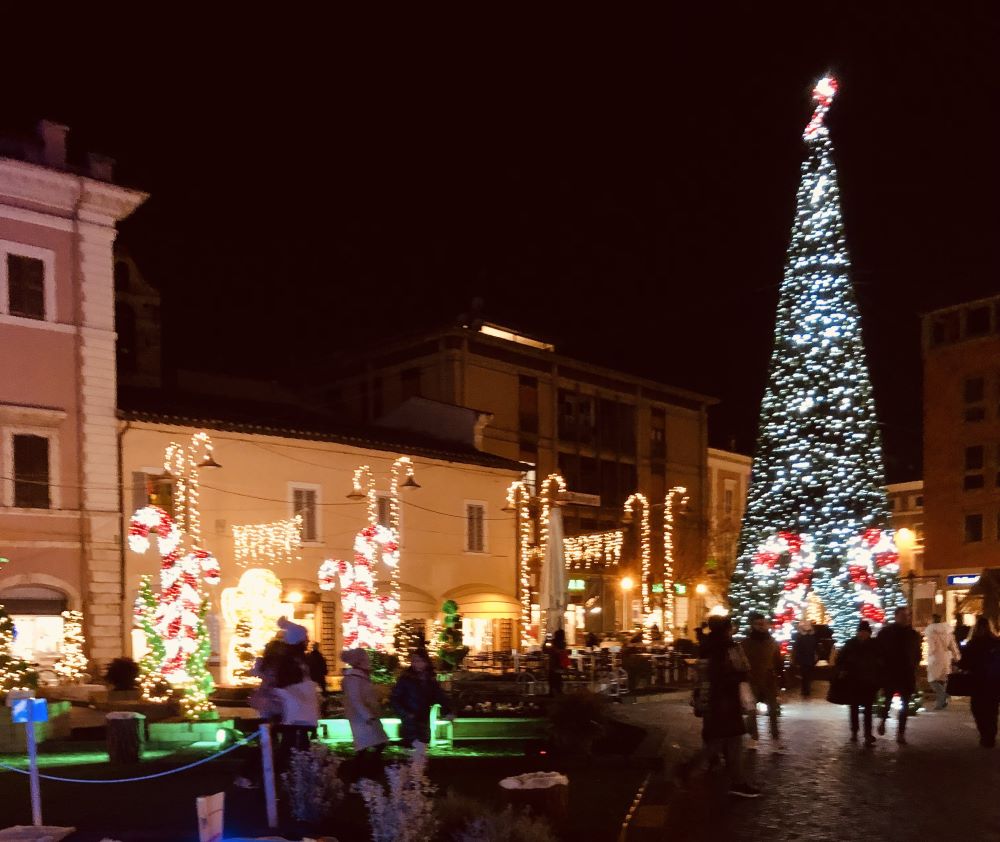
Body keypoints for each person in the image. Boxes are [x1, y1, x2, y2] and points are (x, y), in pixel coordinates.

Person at [676, 615, 760, 798]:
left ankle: (734, 780)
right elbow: (730, 673)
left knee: (724, 741)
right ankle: (733, 781)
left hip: (715, 701)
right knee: (727, 740)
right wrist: (740, 677)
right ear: (726, 629)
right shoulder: (725, 648)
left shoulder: (707, 645)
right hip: (725, 701)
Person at [876, 606, 922, 744]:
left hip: (906, 674)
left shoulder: (913, 634)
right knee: (887, 701)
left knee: (905, 704)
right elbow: (879, 651)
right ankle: (883, 720)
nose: (906, 618)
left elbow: (917, 654)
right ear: (896, 616)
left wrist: (914, 667)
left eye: (908, 615)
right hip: (891, 673)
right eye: (903, 615)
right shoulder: (886, 633)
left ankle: (901, 733)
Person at [390, 648, 452, 748]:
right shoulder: (406, 679)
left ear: (425, 662)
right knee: (412, 755)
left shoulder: (429, 680)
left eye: (419, 661)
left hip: (422, 722)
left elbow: (439, 696)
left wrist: (448, 711)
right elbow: (394, 699)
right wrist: (406, 714)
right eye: (414, 661)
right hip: (409, 723)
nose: (416, 664)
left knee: (420, 754)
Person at [341, 648, 388, 778]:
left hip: (366, 716)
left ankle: (364, 774)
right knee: (370, 745)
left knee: (372, 745)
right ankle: (362, 774)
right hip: (362, 718)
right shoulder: (354, 678)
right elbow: (355, 699)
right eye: (366, 658)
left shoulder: (360, 677)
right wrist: (368, 716)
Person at [741, 613, 784, 752]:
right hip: (752, 679)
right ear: (753, 625)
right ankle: (754, 737)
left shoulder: (772, 642)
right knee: (751, 710)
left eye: (763, 624)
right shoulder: (745, 643)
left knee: (773, 710)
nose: (761, 627)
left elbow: (778, 662)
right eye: (758, 624)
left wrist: (780, 677)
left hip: (768, 679)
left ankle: (775, 738)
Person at [835, 620, 882, 746]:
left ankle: (867, 734)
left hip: (869, 682)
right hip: (854, 681)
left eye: (864, 632)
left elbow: (880, 661)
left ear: (868, 633)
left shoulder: (874, 645)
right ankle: (854, 732)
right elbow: (840, 659)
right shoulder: (850, 644)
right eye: (860, 632)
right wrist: (843, 670)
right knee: (854, 707)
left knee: (868, 709)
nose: (862, 634)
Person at [959, 616, 1000, 748]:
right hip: (994, 681)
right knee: (991, 710)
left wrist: (959, 665)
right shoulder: (996, 642)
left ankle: (985, 734)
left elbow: (965, 663)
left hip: (978, 682)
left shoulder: (973, 644)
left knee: (978, 708)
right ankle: (990, 735)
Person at [273, 655, 321, 769]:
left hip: (293, 719)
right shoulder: (308, 684)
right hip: (302, 720)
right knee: (300, 744)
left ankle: (286, 769)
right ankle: (304, 768)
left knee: (288, 744)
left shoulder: (290, 687)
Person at [924, 613, 960, 710]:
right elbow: (953, 645)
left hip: (935, 657)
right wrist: (957, 658)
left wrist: (928, 654)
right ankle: (940, 703)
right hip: (946, 657)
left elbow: (932, 647)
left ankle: (943, 696)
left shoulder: (931, 631)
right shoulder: (947, 631)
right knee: (942, 680)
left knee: (932, 679)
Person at [792, 621, 818, 698]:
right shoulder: (812, 637)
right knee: (807, 675)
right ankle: (806, 689)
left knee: (805, 675)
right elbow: (814, 647)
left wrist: (796, 659)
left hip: (804, 658)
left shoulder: (800, 637)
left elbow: (797, 649)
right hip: (809, 658)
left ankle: (805, 690)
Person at [546, 628, 570, 696]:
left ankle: (552, 691)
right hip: (559, 663)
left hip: (553, 663)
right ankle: (558, 691)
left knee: (552, 678)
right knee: (558, 678)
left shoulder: (552, 642)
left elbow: (546, 649)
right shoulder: (563, 643)